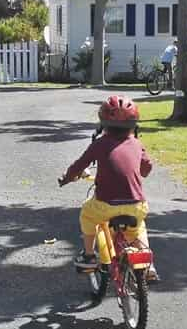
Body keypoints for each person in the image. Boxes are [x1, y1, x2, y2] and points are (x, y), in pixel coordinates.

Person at [59, 95, 157, 280]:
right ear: (133, 125)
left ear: (103, 124)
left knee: (87, 214)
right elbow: (147, 168)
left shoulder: (99, 144)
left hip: (105, 205)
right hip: (135, 205)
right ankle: (148, 264)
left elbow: (78, 166)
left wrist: (67, 178)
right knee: (138, 228)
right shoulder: (137, 144)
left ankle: (88, 256)